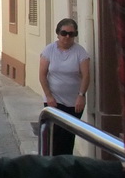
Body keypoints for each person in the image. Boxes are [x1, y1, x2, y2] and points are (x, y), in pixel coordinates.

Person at [38, 18, 91, 155]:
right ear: (58, 33)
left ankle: (65, 167)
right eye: (64, 33)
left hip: (74, 103)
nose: (67, 36)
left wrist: (81, 96)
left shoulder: (80, 52)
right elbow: (43, 75)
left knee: (68, 137)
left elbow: (86, 75)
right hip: (54, 101)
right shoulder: (49, 50)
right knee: (54, 136)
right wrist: (49, 96)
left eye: (71, 34)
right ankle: (52, 165)